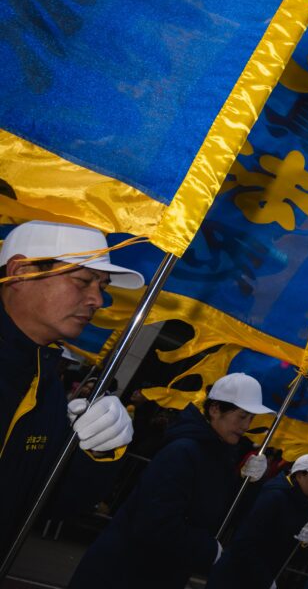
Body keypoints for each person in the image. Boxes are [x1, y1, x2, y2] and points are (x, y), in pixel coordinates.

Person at [0, 221, 143, 545]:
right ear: (20, 271)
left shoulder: (46, 385)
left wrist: (97, 453)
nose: (97, 299)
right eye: (82, 282)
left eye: (102, 287)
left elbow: (48, 506)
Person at [68, 372, 274, 589]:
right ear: (215, 409)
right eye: (242, 416)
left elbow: (222, 512)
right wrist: (208, 550)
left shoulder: (218, 454)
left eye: (251, 418)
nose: (246, 425)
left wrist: (249, 484)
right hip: (124, 573)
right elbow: (155, 524)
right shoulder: (184, 451)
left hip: (157, 572)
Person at [207, 453, 308, 589]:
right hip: (234, 577)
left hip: (258, 578)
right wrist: (264, 580)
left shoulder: (307, 507)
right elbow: (245, 543)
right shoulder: (274, 496)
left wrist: (304, 544)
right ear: (299, 475)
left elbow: (294, 558)